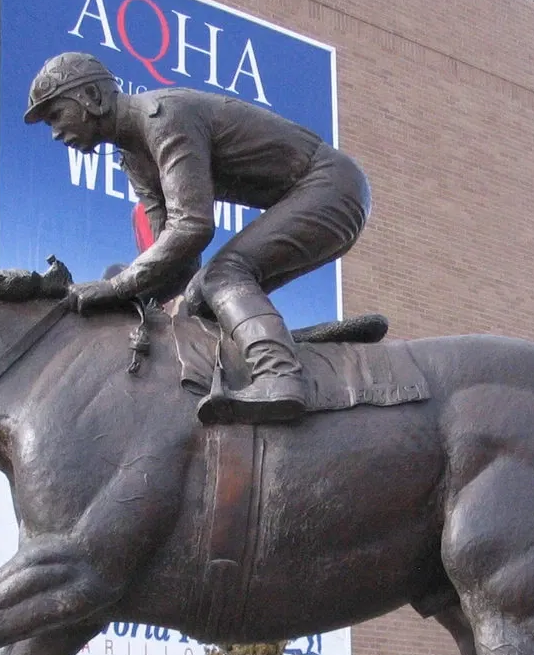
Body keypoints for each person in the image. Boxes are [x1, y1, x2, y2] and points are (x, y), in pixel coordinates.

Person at [24, 51, 371, 424]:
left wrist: (119, 286)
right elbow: (176, 260)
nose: (56, 132)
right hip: (316, 190)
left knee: (224, 275)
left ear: (92, 96)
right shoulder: (134, 157)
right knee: (198, 297)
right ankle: (286, 354)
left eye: (56, 115)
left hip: (332, 185)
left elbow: (193, 226)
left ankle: (280, 375)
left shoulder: (163, 117)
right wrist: (125, 296)